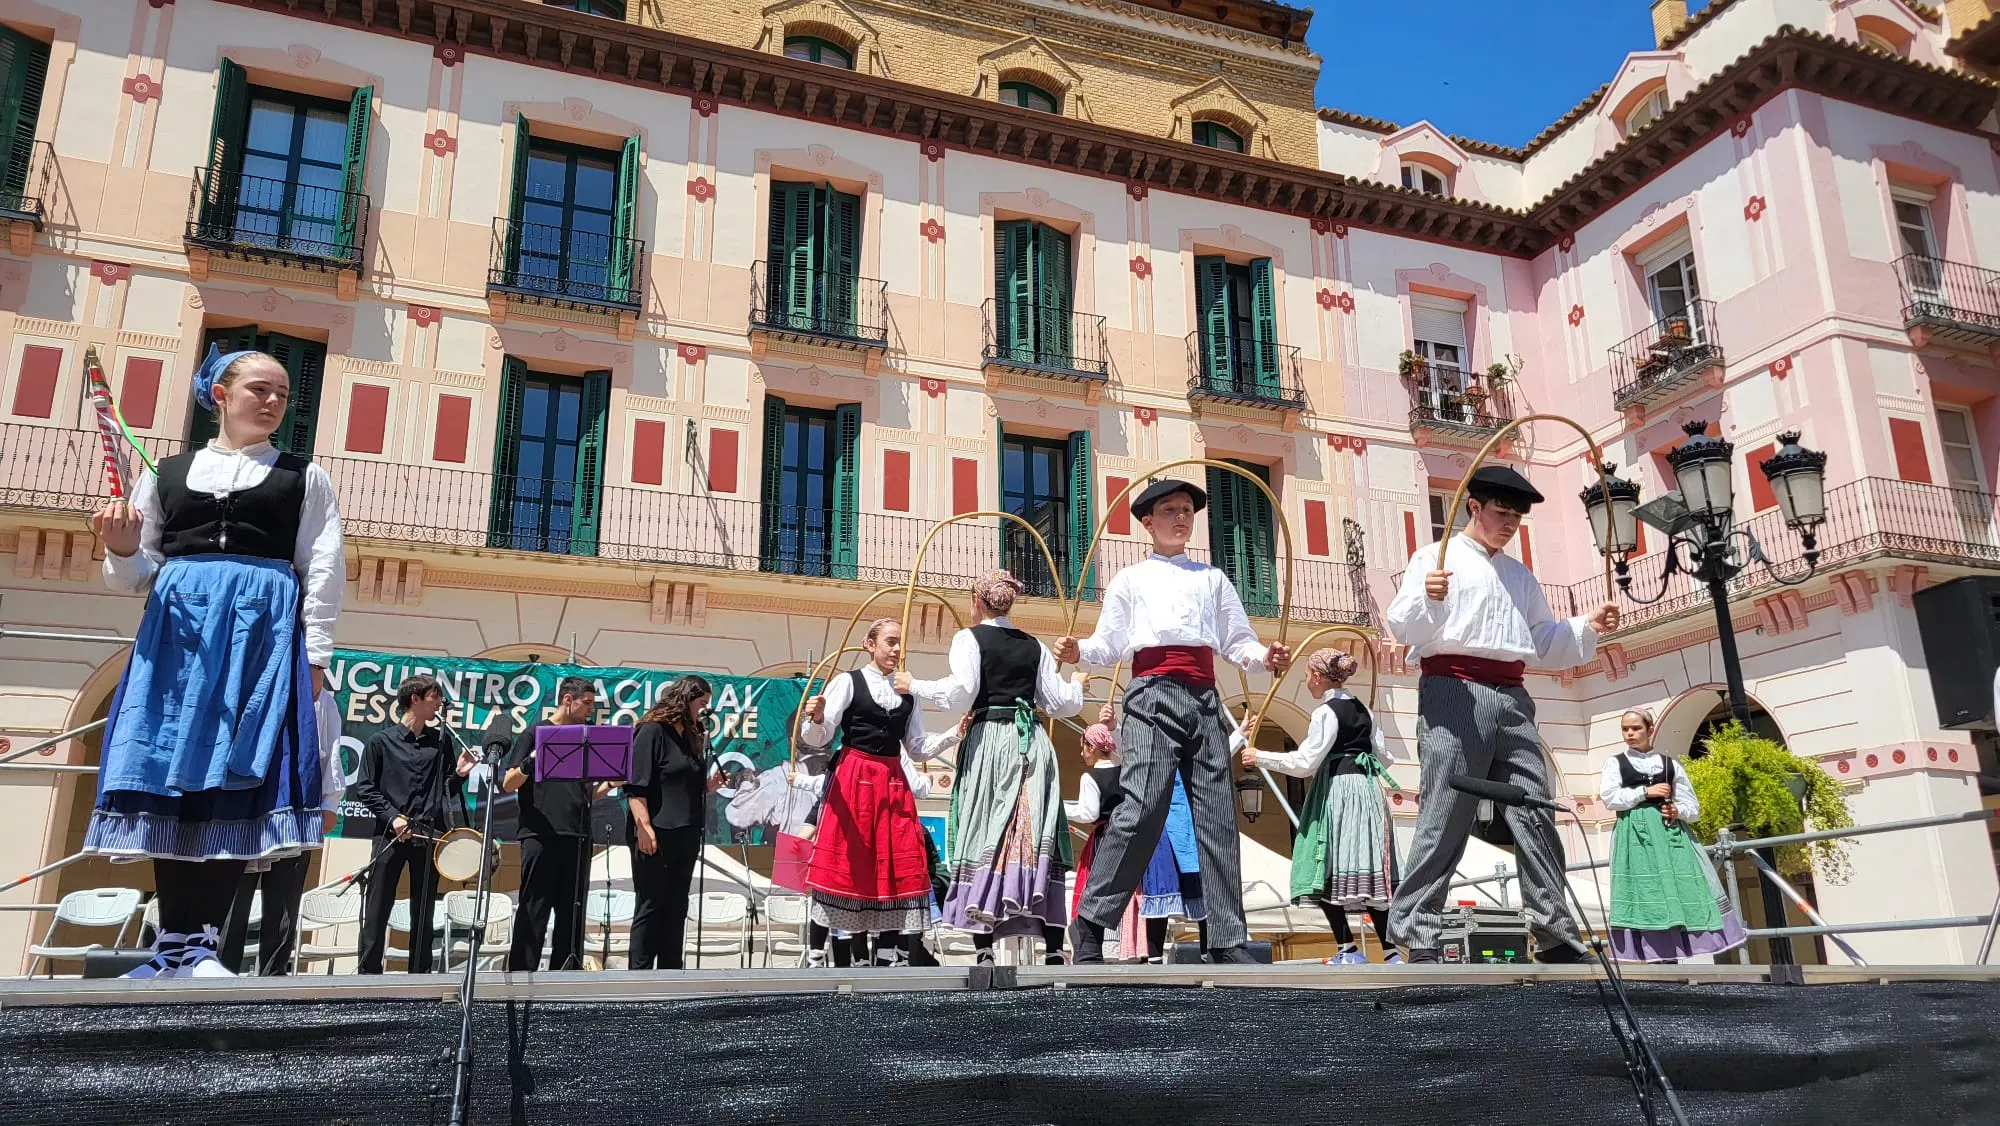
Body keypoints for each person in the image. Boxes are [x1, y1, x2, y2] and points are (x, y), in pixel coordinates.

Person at [86, 344, 344, 979]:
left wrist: (314, 654)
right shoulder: (168, 474)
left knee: (239, 772)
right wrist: (120, 548)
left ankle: (201, 943)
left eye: (282, 393)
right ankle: (170, 946)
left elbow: (323, 567)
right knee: (170, 772)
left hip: (259, 636)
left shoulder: (301, 477)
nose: (274, 401)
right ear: (220, 396)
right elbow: (136, 573)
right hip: (177, 643)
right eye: (260, 389)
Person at [1384, 465, 1619, 964]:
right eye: (1501, 512)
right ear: (1474, 506)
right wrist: (1429, 595)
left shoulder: (1519, 575)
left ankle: (1554, 933)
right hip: (1453, 689)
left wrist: (1586, 627)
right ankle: (1417, 931)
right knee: (1446, 811)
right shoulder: (1434, 558)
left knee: (1536, 806)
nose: (1510, 523)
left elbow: (1542, 643)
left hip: (1514, 695)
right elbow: (1403, 626)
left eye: (1517, 516)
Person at [1054, 479, 1290, 965]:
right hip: (1150, 695)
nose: (1181, 518)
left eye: (1187, 510)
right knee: (1141, 808)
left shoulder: (1212, 579)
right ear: (1148, 522)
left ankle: (1226, 938)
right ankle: (1091, 922)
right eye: (1170, 510)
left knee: (1218, 817)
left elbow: (1238, 643)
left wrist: (1267, 657)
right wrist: (1081, 651)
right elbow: (1109, 643)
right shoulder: (1130, 580)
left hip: (1205, 696)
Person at [899, 570, 1085, 966]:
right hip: (1032, 743)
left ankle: (983, 950)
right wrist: (1077, 683)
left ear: (977, 601)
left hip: (990, 740)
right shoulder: (1033, 645)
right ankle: (1052, 947)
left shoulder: (969, 639)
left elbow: (960, 692)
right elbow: (1063, 705)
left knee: (984, 827)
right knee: (1033, 833)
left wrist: (914, 684)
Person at [799, 618, 959, 962]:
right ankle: (837, 950)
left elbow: (916, 748)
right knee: (853, 858)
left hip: (891, 782)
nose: (897, 649)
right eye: (890, 642)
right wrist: (816, 718)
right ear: (869, 644)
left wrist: (954, 734)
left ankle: (889, 951)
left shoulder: (907, 694)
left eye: (900, 643)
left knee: (897, 859)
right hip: (854, 777)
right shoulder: (848, 682)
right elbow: (819, 738)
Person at [1242, 649, 1400, 965]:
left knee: (1322, 863)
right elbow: (1385, 757)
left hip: (1338, 792)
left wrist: (1261, 757)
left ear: (1317, 676)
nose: (1306, 680)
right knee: (1369, 871)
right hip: (1368, 790)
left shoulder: (1325, 712)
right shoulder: (1364, 710)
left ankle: (1348, 949)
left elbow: (1306, 762)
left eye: (1307, 674)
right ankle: (1392, 953)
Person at [350, 674, 474, 974]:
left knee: (425, 907)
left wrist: (459, 774)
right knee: (378, 904)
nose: (439, 704)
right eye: (435, 697)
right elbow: (365, 788)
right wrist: (393, 817)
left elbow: (447, 790)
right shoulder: (380, 742)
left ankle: (420, 973)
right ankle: (368, 973)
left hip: (428, 835)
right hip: (390, 835)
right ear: (415, 699)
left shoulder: (440, 743)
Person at [220, 688, 347, 974]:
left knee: (284, 897)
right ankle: (223, 972)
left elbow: (331, 750)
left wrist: (330, 802)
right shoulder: (261, 685)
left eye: (320, 668)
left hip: (297, 808)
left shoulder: (324, 702)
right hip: (250, 806)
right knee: (236, 896)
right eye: (313, 667)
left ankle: (273, 974)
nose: (317, 676)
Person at [1602, 708, 1743, 963]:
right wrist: (1646, 792)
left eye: (1636, 728)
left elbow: (1693, 808)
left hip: (1669, 838)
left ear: (1650, 730)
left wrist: (1677, 809)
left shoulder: (1670, 765)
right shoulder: (1616, 763)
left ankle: (1674, 954)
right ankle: (1647, 954)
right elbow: (1610, 798)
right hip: (1635, 839)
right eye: (1625, 729)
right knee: (1644, 890)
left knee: (1677, 889)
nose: (1630, 734)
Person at [502, 677, 613, 972]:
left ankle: (566, 976)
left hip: (577, 835)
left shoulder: (586, 739)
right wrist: (530, 762)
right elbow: (508, 782)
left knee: (573, 911)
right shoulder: (535, 732)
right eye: (586, 703)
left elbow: (585, 793)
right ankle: (521, 975)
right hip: (540, 834)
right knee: (534, 908)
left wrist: (610, 784)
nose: (591, 710)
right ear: (568, 700)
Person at [626, 675, 725, 970]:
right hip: (656, 831)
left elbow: (679, 784)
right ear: (686, 699)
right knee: (651, 903)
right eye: (702, 703)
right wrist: (644, 828)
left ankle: (671, 971)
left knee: (677, 905)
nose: (704, 710)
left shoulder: (692, 737)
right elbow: (636, 786)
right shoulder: (652, 731)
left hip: (686, 831)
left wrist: (708, 786)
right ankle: (639, 975)